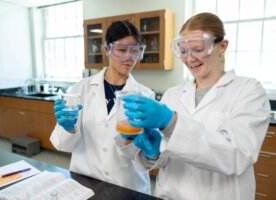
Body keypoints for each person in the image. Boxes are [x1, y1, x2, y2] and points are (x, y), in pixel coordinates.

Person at [122, 12, 271, 200]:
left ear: (222, 46)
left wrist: (172, 122)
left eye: (198, 49)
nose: (190, 58)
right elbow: (168, 157)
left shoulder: (248, 91)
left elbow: (238, 155)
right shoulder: (173, 94)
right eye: (183, 51)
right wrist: (153, 154)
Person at [50, 21, 154, 194]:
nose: (129, 57)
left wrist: (130, 141)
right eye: (122, 50)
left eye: (135, 50)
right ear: (107, 49)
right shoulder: (80, 89)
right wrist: (67, 129)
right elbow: (62, 145)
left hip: (127, 187)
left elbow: (144, 158)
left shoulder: (145, 96)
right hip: (84, 184)